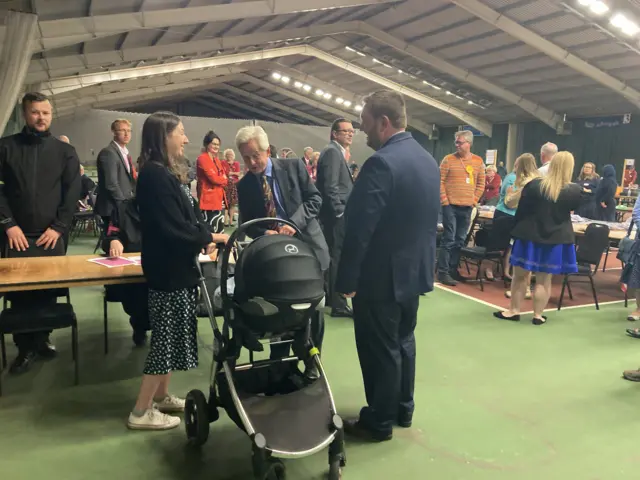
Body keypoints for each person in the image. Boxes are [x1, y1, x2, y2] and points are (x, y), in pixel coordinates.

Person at [336, 90, 439, 442]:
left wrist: (346, 278)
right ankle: (402, 408)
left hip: (381, 277)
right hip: (414, 273)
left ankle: (378, 420)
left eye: (365, 126)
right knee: (403, 340)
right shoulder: (427, 159)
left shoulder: (381, 163)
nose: (363, 134)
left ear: (383, 122)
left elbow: (360, 228)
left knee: (379, 348)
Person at [129, 112, 227, 430]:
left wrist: (203, 237)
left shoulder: (167, 173)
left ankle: (161, 397)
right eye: (181, 133)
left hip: (179, 268)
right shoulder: (154, 176)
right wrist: (210, 237)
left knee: (173, 336)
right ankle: (140, 412)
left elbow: (190, 216)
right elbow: (171, 227)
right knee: (165, 341)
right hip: (167, 271)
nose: (186, 139)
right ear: (164, 136)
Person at [235, 125, 329, 370]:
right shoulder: (245, 185)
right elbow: (247, 224)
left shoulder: (294, 166)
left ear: (267, 150)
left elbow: (315, 199)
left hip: (307, 249)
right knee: (279, 305)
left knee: (312, 307)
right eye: (246, 157)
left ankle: (312, 361)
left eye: (256, 155)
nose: (252, 162)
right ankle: (279, 361)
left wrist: (292, 224)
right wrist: (264, 231)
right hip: (275, 255)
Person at [0, 92, 81, 373]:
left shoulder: (65, 152)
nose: (41, 117)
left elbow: (72, 193)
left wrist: (59, 227)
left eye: (45, 113)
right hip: (16, 235)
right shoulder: (5, 147)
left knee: (48, 290)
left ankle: (43, 338)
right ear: (25, 114)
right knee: (20, 294)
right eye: (35, 112)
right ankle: (24, 348)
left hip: (51, 236)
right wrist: (8, 224)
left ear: (51, 114)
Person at [494, 152, 581, 325]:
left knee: (520, 276)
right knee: (544, 279)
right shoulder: (574, 190)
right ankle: (538, 315)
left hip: (529, 236)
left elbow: (521, 211)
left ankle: (514, 311)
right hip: (556, 239)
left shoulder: (534, 186)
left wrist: (515, 229)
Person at [316, 118, 355, 318]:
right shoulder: (332, 152)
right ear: (334, 133)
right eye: (345, 131)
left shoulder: (336, 151)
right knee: (337, 257)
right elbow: (330, 186)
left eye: (351, 131)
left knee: (334, 256)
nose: (350, 134)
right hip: (335, 215)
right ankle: (339, 304)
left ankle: (333, 298)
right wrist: (339, 211)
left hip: (334, 214)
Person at [437, 130, 486, 286]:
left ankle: (453, 270)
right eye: (456, 142)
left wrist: (473, 201)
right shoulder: (448, 160)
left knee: (460, 240)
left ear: (469, 144)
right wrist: (445, 201)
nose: (457, 145)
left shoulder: (478, 162)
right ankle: (443, 272)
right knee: (449, 239)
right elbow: (440, 181)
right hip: (450, 206)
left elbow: (481, 184)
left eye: (460, 142)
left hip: (467, 207)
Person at [102, 199, 149, 346]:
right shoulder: (123, 208)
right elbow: (109, 235)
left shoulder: (170, 205)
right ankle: (139, 324)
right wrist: (113, 241)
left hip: (161, 267)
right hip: (130, 273)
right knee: (138, 296)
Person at [486, 153, 538, 285]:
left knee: (510, 245)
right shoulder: (511, 178)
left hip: (516, 216)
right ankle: (488, 268)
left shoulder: (530, 181)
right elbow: (509, 201)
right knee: (497, 244)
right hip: (504, 213)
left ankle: (506, 271)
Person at [95, 119, 136, 227]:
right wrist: (124, 206)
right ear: (114, 132)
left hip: (121, 207)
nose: (127, 134)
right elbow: (111, 184)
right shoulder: (108, 153)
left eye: (129, 130)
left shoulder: (125, 153)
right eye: (122, 130)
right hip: (112, 209)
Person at [196, 131, 228, 234]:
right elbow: (214, 178)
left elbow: (224, 178)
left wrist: (222, 179)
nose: (216, 146)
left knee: (219, 231)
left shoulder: (217, 160)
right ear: (207, 144)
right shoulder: (202, 159)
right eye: (214, 144)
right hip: (208, 202)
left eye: (218, 144)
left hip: (219, 201)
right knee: (210, 233)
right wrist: (222, 179)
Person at [222, 148, 241, 227]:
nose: (229, 156)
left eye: (230, 154)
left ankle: (231, 221)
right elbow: (224, 173)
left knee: (232, 204)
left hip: (234, 185)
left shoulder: (236, 163)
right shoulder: (223, 162)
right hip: (226, 185)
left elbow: (238, 174)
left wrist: (230, 173)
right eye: (227, 154)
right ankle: (225, 221)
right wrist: (233, 173)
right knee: (226, 203)